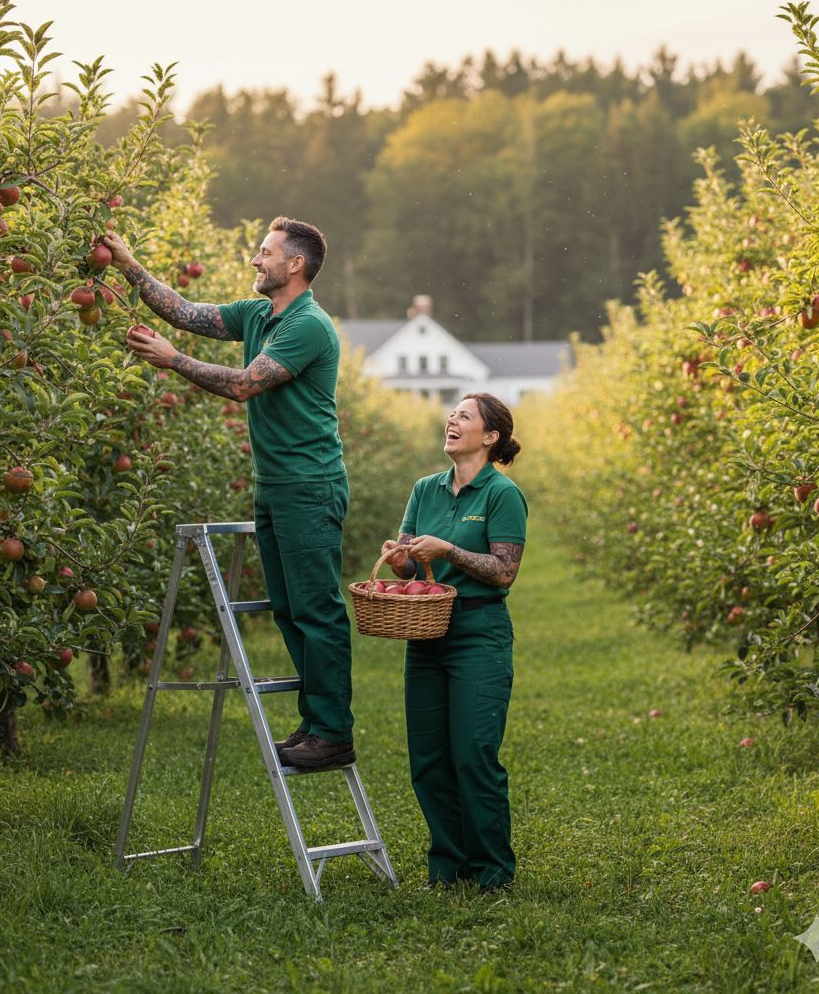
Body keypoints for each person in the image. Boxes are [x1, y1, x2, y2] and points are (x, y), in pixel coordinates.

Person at [101, 218, 355, 770]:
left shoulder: (308, 325)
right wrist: (130, 267)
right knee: (290, 609)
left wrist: (173, 360)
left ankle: (334, 732)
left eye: (264, 253)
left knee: (318, 610)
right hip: (275, 485)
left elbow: (243, 385)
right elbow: (187, 313)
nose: (255, 261)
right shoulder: (258, 314)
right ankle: (317, 724)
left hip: (310, 486)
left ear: (295, 265)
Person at [381, 393, 527, 890]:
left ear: (489, 437)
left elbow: (504, 572)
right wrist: (399, 559)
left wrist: (451, 550)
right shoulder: (425, 490)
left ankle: (492, 872)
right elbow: (408, 566)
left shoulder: (501, 494)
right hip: (425, 634)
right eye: (452, 413)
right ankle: (448, 868)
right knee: (428, 758)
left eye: (464, 415)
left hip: (477, 634)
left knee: (473, 752)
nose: (452, 419)